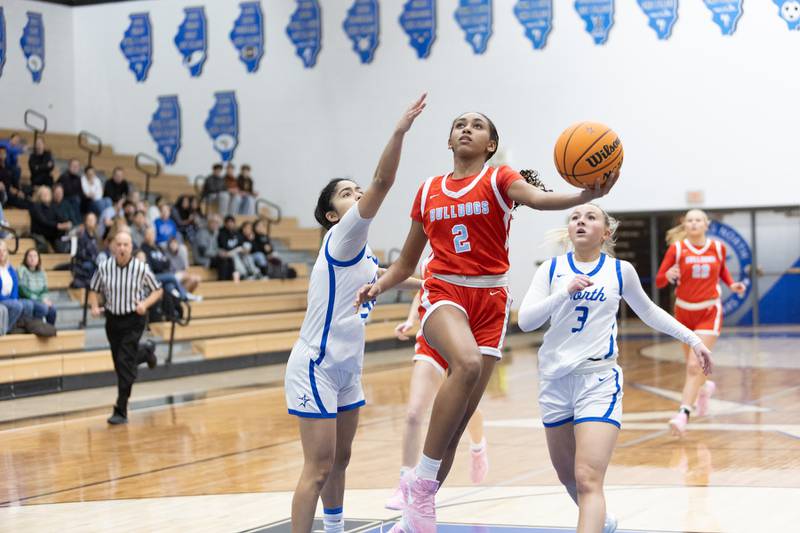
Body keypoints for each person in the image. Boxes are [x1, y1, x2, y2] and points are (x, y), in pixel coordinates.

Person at [355, 110, 617, 532]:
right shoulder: (427, 191)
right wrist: (380, 284)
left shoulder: (498, 180)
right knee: (468, 363)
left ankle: (412, 517)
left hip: (490, 300)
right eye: (459, 124)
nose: (466, 129)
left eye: (477, 126)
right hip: (444, 291)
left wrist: (580, 197)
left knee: (455, 428)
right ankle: (420, 487)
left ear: (490, 145)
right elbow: (406, 263)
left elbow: (537, 198)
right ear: (448, 140)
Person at [517, 203, 714, 533]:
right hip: (554, 381)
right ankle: (603, 523)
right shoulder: (551, 270)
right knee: (567, 476)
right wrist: (564, 294)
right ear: (569, 229)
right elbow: (525, 321)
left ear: (605, 232)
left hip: (598, 380)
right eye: (575, 217)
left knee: (587, 477)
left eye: (591, 217)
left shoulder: (619, 271)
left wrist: (693, 339)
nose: (581, 221)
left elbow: (650, 312)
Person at [286, 94, 426, 533]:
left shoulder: (360, 254)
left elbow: (387, 275)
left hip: (347, 368)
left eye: (357, 190)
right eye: (348, 194)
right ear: (333, 214)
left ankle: (334, 528)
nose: (359, 194)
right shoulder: (345, 235)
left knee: (341, 459)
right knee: (318, 466)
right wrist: (399, 130)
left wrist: (433, 284)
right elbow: (382, 182)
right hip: (316, 366)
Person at [385, 259, 489, 512]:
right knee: (413, 413)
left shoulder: (472, 251)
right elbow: (425, 289)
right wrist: (411, 320)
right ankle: (405, 483)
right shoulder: (430, 253)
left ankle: (478, 447)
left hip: (462, 335)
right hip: (431, 340)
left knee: (463, 411)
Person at [655, 209, 746, 436]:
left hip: (709, 311)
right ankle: (705, 388)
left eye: (698, 220)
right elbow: (658, 281)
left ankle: (683, 413)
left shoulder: (717, 248)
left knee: (694, 366)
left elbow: (722, 271)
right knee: (694, 365)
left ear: (706, 225)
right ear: (684, 225)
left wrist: (732, 284)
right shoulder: (677, 249)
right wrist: (666, 277)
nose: (694, 223)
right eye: (690, 220)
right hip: (684, 312)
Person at [89, 230, 162, 425]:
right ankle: (145, 353)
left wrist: (144, 305)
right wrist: (94, 306)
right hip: (113, 321)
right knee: (121, 364)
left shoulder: (140, 268)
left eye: (125, 245)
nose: (121, 248)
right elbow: (93, 289)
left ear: (131, 247)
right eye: (118, 244)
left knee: (124, 362)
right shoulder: (104, 267)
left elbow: (158, 290)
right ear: (113, 246)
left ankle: (120, 409)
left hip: (134, 319)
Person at [0, 240, 35, 333]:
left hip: (10, 299)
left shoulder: (10, 268)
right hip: (2, 299)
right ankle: (6, 330)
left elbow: (15, 286)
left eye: (4, 250)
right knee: (17, 306)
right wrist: (10, 299)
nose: (1, 253)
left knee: (28, 304)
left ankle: (21, 327)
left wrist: (14, 298)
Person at [17, 248, 57, 325]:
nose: (32, 258)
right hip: (27, 298)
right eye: (30, 256)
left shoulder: (42, 273)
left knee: (53, 310)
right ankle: (36, 327)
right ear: (26, 258)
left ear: (38, 259)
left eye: (35, 256)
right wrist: (40, 299)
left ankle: (49, 329)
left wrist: (44, 299)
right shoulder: (22, 270)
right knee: (43, 308)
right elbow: (23, 291)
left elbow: (44, 290)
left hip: (40, 299)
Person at [29, 186, 71, 253]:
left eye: (47, 193)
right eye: (44, 193)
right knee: (43, 246)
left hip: (51, 233)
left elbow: (60, 217)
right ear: (39, 195)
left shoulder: (52, 206)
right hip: (39, 233)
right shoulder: (35, 206)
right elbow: (43, 221)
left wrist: (66, 223)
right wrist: (58, 225)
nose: (46, 195)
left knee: (62, 247)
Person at [73, 212, 100, 288]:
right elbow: (81, 254)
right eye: (89, 219)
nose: (91, 221)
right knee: (90, 266)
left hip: (96, 262)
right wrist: (94, 260)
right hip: (84, 263)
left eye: (93, 219)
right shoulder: (81, 236)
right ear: (85, 221)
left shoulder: (97, 236)